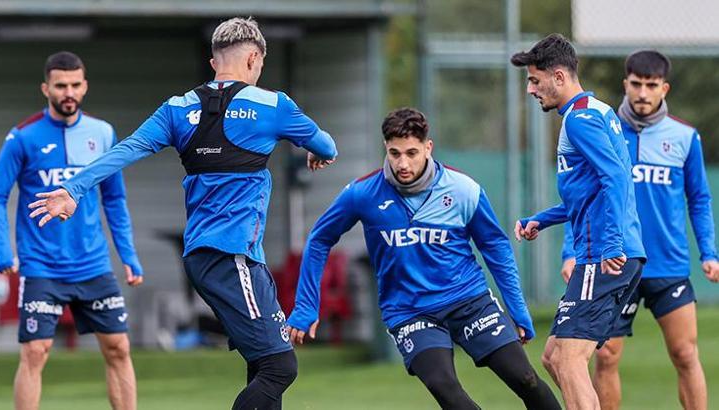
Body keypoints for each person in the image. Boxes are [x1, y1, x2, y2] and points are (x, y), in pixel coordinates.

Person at [26, 17, 337, 410]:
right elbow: (327, 146)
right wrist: (314, 151)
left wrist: (73, 188)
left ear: (214, 63)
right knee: (280, 367)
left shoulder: (177, 108)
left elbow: (126, 149)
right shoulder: (273, 105)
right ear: (254, 59)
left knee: (261, 364)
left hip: (209, 258)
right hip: (232, 256)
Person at [286, 107, 561, 410]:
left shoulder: (463, 190)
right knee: (446, 389)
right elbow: (319, 239)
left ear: (428, 148)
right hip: (409, 311)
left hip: (468, 300)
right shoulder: (362, 193)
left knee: (525, 379)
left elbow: (495, 247)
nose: (403, 163)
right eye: (394, 153)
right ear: (385, 148)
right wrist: (306, 306)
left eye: (412, 153)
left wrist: (517, 309)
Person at [560, 50, 718, 410]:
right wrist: (570, 252)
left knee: (685, 353)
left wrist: (708, 252)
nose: (642, 93)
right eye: (636, 84)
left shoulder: (684, 137)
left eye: (651, 85)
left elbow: (699, 198)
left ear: (664, 88)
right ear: (625, 84)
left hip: (668, 264)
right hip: (616, 261)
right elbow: (582, 198)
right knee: (606, 355)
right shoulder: (602, 127)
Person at [0, 51, 143, 410]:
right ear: (46, 88)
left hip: (92, 264)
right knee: (35, 351)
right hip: (41, 265)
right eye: (60, 86)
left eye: (75, 84)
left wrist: (129, 256)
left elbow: (115, 199)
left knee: (119, 348)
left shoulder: (103, 133)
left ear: (85, 85)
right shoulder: (23, 137)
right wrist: (2, 251)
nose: (69, 92)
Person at [510, 34, 646, 410]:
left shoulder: (579, 120)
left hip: (602, 255)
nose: (530, 89)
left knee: (569, 360)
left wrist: (612, 244)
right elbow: (590, 192)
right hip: (607, 250)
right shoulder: (596, 110)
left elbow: (616, 178)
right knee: (554, 357)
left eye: (534, 80)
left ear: (558, 76)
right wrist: (543, 219)